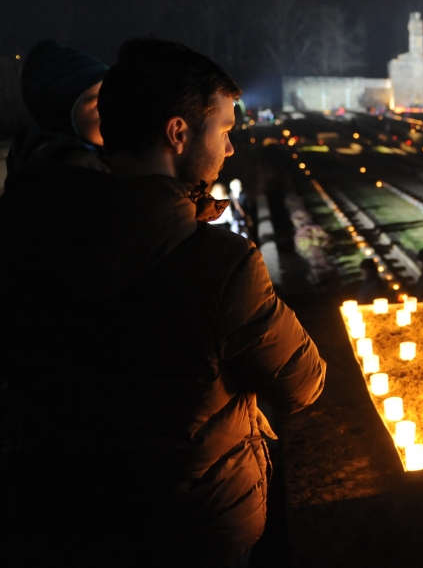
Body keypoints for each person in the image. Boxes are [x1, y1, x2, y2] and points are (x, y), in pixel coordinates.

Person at [0, 38, 326, 567]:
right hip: (187, 532)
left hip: (63, 523)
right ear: (178, 133)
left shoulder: (28, 231)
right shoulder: (223, 265)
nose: (230, 148)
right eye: (224, 130)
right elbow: (303, 382)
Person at [5, 39, 109, 181]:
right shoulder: (37, 144)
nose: (112, 111)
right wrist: (67, 153)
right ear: (63, 119)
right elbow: (32, 148)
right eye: (99, 106)